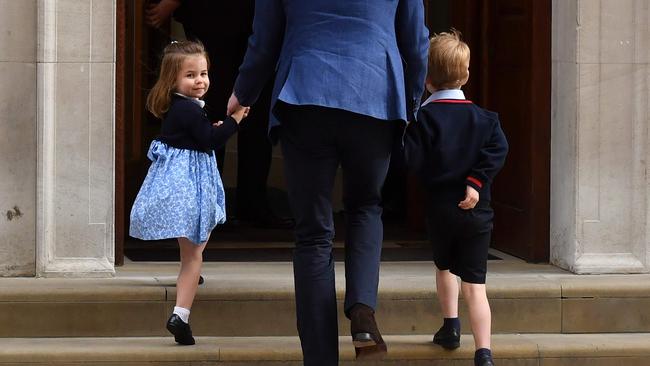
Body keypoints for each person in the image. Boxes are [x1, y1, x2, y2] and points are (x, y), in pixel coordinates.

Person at [227, 1, 429, 364]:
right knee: (366, 207)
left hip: (304, 93)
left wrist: (243, 93)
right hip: (375, 91)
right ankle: (363, 311)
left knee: (313, 235)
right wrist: (411, 103)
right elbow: (415, 41)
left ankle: (320, 358)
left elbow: (264, 39)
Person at [129, 41, 249, 345]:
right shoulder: (187, 110)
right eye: (191, 75)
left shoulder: (183, 108)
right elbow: (209, 140)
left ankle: (187, 289)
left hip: (182, 186)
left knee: (191, 254)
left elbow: (199, 135)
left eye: (204, 73)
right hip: (190, 189)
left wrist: (214, 126)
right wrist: (234, 122)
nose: (200, 81)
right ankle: (180, 315)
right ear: (173, 80)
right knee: (195, 254)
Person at [404, 31, 509, 366]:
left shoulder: (423, 119)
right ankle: (484, 352)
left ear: (426, 78)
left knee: (444, 265)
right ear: (465, 75)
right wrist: (476, 183)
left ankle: (450, 327)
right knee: (475, 285)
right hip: (478, 213)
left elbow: (412, 161)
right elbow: (498, 151)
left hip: (439, 209)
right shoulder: (486, 119)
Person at [145, 0, 291, 228]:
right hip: (214, 18)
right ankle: (207, 207)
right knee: (207, 103)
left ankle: (251, 203)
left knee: (256, 111)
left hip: (255, 15)